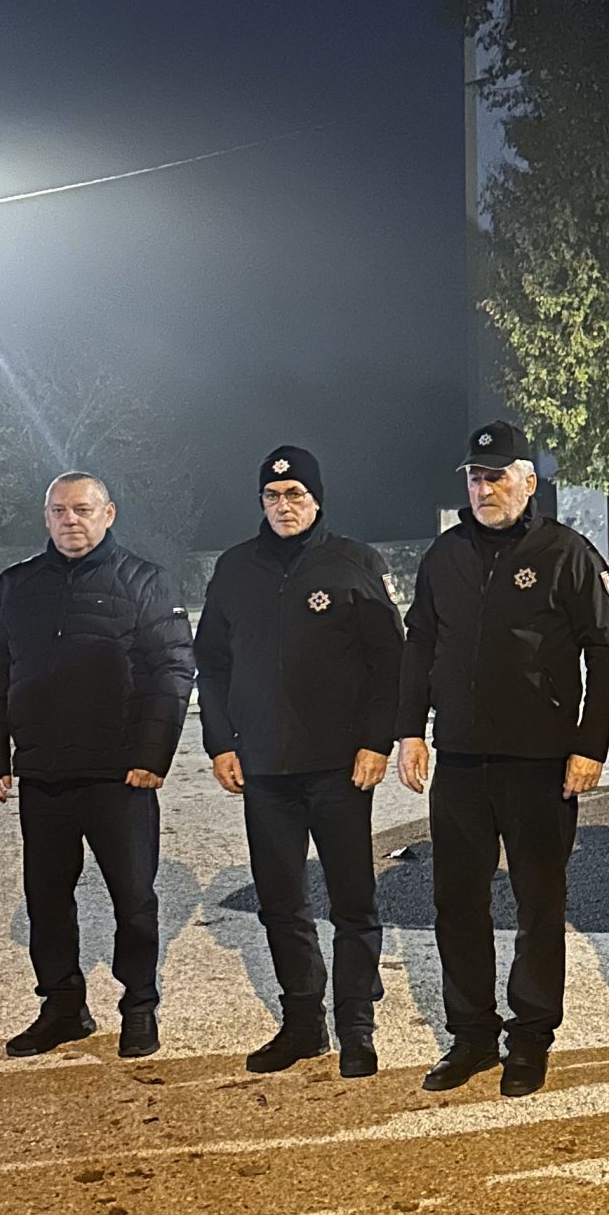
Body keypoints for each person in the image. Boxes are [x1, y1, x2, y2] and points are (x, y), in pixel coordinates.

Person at [396, 419, 609, 1097]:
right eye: (475, 477)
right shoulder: (445, 556)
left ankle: (530, 1038)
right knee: (456, 904)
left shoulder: (566, 553)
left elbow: (606, 652)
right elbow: (419, 644)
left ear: (527, 481)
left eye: (496, 476)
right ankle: (471, 1036)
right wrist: (409, 731)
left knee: (538, 906)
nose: (484, 488)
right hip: (462, 761)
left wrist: (589, 744)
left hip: (540, 762)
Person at [195, 445, 405, 1078]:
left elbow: (388, 661)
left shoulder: (353, 562)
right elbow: (212, 663)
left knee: (353, 904)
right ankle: (303, 1025)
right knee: (281, 904)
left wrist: (377, 741)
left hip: (340, 767)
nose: (283, 506)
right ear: (261, 501)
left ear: (316, 500)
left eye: (295, 495)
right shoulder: (235, 568)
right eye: (272, 496)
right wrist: (220, 741)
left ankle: (357, 1029)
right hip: (265, 769)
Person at [0, 471, 194, 1061]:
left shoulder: (145, 581)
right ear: (46, 516)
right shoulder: (16, 585)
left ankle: (139, 1006)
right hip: (43, 772)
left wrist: (152, 754)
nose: (70, 520)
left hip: (119, 774)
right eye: (59, 510)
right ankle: (62, 1007)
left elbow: (173, 670)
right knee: (46, 900)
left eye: (82, 509)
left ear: (108, 514)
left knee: (134, 899)